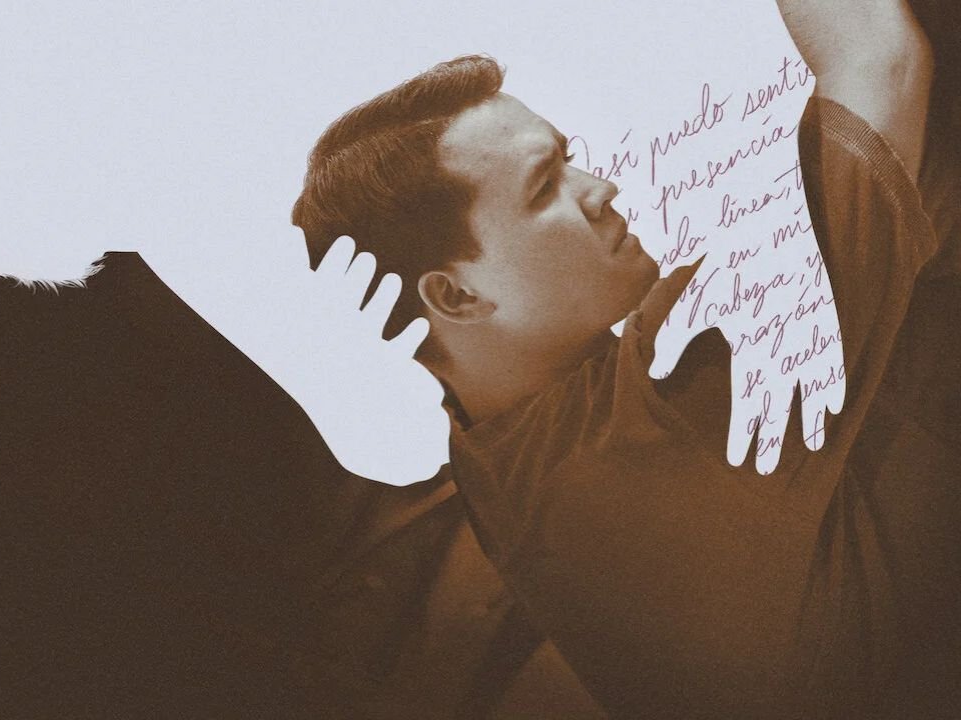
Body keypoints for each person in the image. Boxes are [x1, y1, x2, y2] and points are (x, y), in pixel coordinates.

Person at [291, 0, 955, 716]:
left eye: (567, 158)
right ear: (455, 294)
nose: (599, 188)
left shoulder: (489, 442)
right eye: (544, 187)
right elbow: (882, 59)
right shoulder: (672, 384)